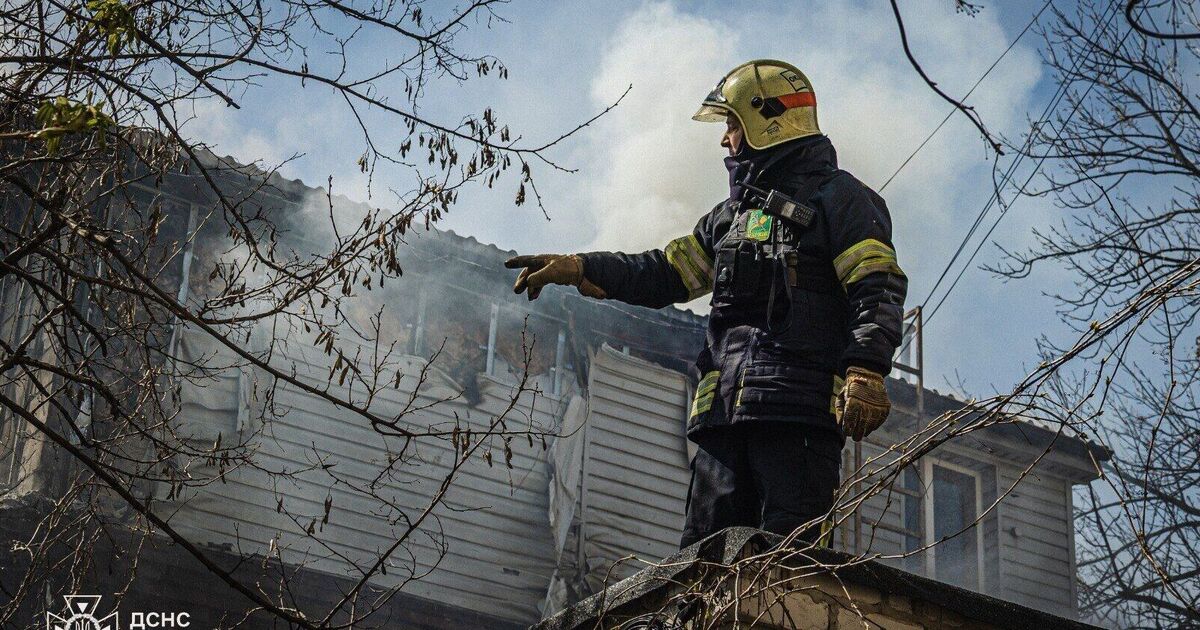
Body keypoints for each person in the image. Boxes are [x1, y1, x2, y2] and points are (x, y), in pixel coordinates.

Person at [505, 60, 907, 548]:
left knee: (788, 571)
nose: (724, 140)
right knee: (701, 571)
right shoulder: (730, 218)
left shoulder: (842, 200)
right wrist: (583, 267)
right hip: (722, 427)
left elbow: (877, 284)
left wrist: (866, 368)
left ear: (765, 121)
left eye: (731, 124)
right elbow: (664, 272)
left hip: (797, 418)